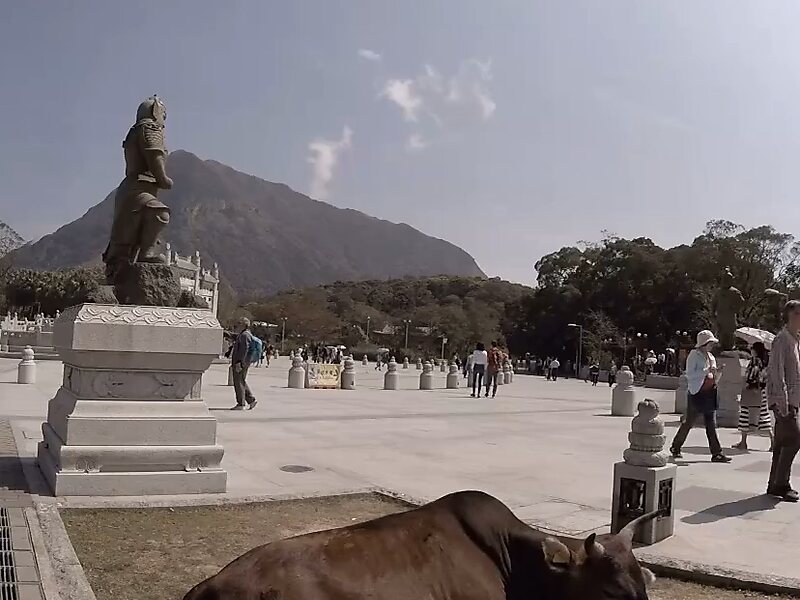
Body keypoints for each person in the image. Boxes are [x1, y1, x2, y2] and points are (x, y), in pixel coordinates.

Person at [669, 330, 730, 463]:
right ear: (704, 343)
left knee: (711, 424)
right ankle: (676, 446)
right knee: (689, 422)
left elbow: (714, 377)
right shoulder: (694, 356)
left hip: (710, 392)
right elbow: (690, 375)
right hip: (697, 392)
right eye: (710, 343)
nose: (712, 346)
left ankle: (716, 453)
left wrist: (718, 372)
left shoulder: (711, 357)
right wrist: (706, 371)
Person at [766, 300, 800, 502]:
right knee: (795, 439)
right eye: (797, 313)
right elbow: (776, 372)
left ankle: (773, 484)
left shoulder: (795, 340)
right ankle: (782, 484)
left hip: (793, 400)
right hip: (784, 401)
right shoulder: (782, 340)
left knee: (781, 443)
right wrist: (782, 401)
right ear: (788, 315)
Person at [733, 342, 773, 452]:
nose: (750, 350)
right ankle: (772, 440)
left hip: (752, 391)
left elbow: (753, 375)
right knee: (763, 415)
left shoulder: (756, 361)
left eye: (752, 348)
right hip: (761, 392)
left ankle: (743, 442)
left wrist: (748, 383)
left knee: (745, 415)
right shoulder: (766, 361)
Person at [230, 317, 258, 411]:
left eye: (239, 323)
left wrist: (239, 362)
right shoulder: (244, 334)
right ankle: (251, 400)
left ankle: (241, 403)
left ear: (244, 325)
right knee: (241, 381)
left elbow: (244, 350)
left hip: (241, 362)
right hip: (243, 362)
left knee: (239, 382)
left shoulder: (245, 335)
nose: (237, 325)